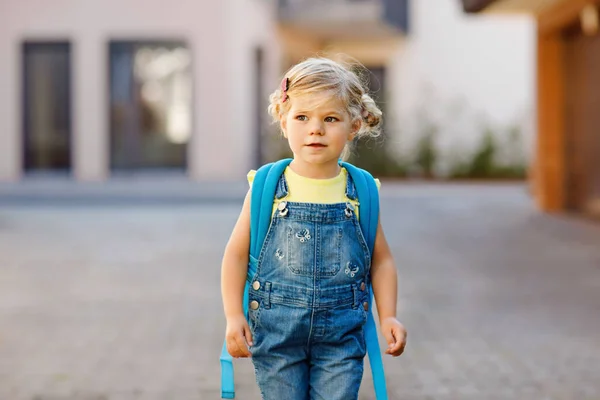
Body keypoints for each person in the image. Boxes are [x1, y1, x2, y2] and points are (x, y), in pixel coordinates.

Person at [220, 56, 407, 400]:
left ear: (353, 126)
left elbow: (381, 261)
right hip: (277, 336)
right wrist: (234, 316)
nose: (315, 129)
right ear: (283, 120)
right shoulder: (266, 185)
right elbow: (235, 255)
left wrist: (389, 316)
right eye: (302, 117)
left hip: (341, 337)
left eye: (330, 118)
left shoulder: (362, 191)